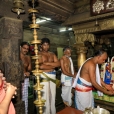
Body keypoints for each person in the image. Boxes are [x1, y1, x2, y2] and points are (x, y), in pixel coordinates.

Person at [39, 38, 60, 114]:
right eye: (44, 45)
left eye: (47, 45)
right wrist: (53, 66)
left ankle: (52, 112)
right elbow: (41, 67)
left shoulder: (52, 54)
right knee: (45, 97)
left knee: (52, 96)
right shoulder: (39, 54)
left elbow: (58, 64)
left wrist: (47, 63)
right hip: (44, 76)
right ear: (41, 46)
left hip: (52, 76)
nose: (46, 47)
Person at [20, 42, 32, 114]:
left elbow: (29, 69)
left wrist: (28, 72)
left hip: (26, 79)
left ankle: (25, 112)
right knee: (19, 98)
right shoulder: (16, 56)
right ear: (20, 47)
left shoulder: (28, 57)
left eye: (27, 49)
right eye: (24, 48)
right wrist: (23, 73)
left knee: (25, 99)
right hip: (18, 79)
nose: (26, 50)